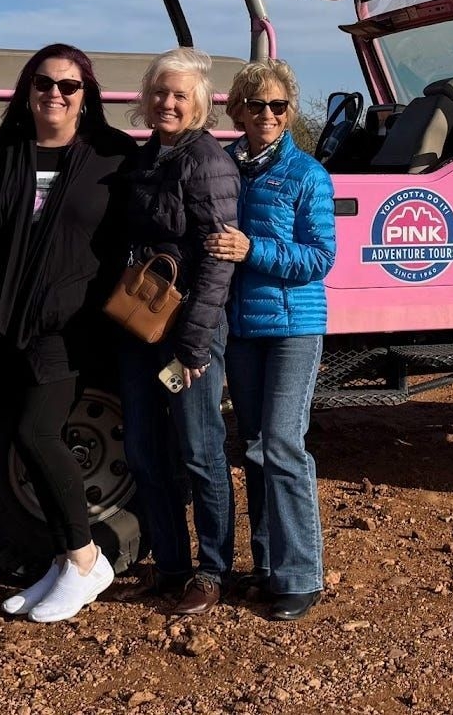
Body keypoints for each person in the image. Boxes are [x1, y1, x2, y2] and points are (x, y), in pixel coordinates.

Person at [0, 45, 138, 623]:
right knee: (22, 440)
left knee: (37, 432)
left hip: (74, 324)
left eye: (69, 86)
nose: (56, 94)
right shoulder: (0, 154)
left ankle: (86, 556)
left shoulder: (114, 155)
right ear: (27, 89)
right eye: (44, 83)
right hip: (7, 323)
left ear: (86, 95)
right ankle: (63, 561)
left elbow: (160, 214)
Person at [205, 60, 335, 621]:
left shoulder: (307, 174)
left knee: (282, 445)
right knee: (254, 448)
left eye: (278, 106)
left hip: (292, 328)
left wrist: (251, 250)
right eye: (256, 105)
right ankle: (267, 566)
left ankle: (302, 573)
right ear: (236, 109)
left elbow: (320, 257)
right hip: (241, 329)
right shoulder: (223, 168)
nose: (267, 114)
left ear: (288, 112)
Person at [120, 47, 240, 616]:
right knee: (145, 448)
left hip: (187, 335)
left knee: (198, 449)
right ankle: (170, 564)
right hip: (140, 327)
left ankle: (212, 570)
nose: (167, 102)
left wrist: (194, 343)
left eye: (179, 95)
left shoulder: (207, 163)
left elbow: (218, 262)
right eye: (160, 92)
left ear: (200, 105)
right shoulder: (148, 157)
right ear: (146, 98)